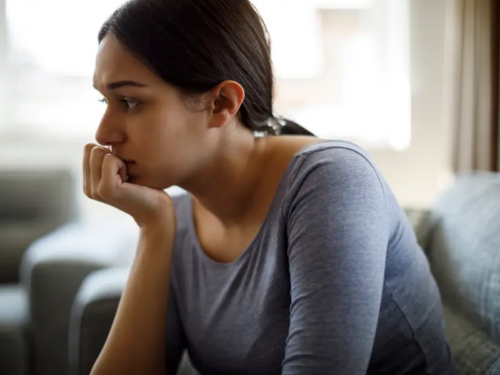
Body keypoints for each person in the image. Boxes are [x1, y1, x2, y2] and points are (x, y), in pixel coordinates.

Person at [84, 0, 459, 374]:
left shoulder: (331, 181)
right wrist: (154, 229)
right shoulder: (176, 217)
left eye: (129, 102)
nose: (103, 132)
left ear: (221, 104)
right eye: (104, 100)